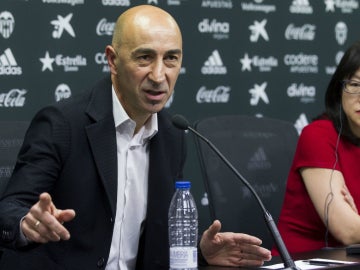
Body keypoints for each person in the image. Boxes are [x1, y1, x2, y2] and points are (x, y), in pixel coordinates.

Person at [0, 5, 271, 270]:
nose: (158, 75)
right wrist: (27, 222)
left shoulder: (172, 134)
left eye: (171, 59)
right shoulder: (62, 124)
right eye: (144, 57)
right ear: (113, 60)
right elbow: (10, 208)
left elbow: (156, 238)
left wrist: (199, 252)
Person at [273, 40, 360, 255]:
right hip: (305, 260)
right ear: (340, 88)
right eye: (355, 85)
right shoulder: (318, 135)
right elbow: (347, 230)